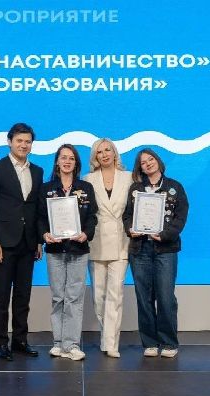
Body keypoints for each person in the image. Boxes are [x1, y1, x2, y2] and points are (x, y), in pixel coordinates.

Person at [0, 122, 44, 361]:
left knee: (23, 296)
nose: (23, 145)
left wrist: (39, 241)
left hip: (28, 243)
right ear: (10, 142)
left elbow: (37, 209)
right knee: (1, 296)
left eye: (28, 141)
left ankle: (20, 340)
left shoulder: (37, 171)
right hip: (4, 243)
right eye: (19, 141)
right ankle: (1, 343)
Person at [122, 148, 188, 358]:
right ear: (140, 168)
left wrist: (165, 234)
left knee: (166, 297)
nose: (148, 163)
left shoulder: (174, 187)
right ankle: (150, 342)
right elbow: (127, 216)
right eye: (143, 162)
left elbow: (181, 217)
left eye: (151, 159)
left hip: (165, 249)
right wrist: (130, 229)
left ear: (158, 161)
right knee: (144, 298)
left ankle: (169, 342)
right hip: (140, 249)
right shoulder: (135, 189)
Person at [38, 144, 98, 361]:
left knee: (74, 297)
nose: (67, 161)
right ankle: (58, 342)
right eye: (63, 157)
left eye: (71, 158)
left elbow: (92, 217)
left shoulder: (86, 188)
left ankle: (71, 344)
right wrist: (44, 234)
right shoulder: (46, 189)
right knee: (58, 297)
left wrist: (86, 234)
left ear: (76, 163)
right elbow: (40, 218)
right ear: (57, 162)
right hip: (55, 249)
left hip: (78, 249)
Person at [83, 138, 133, 358]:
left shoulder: (129, 177)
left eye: (107, 150)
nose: (104, 154)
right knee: (98, 296)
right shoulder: (88, 179)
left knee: (116, 294)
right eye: (99, 151)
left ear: (114, 153)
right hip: (97, 242)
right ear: (95, 156)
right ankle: (107, 334)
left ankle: (111, 343)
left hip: (121, 242)